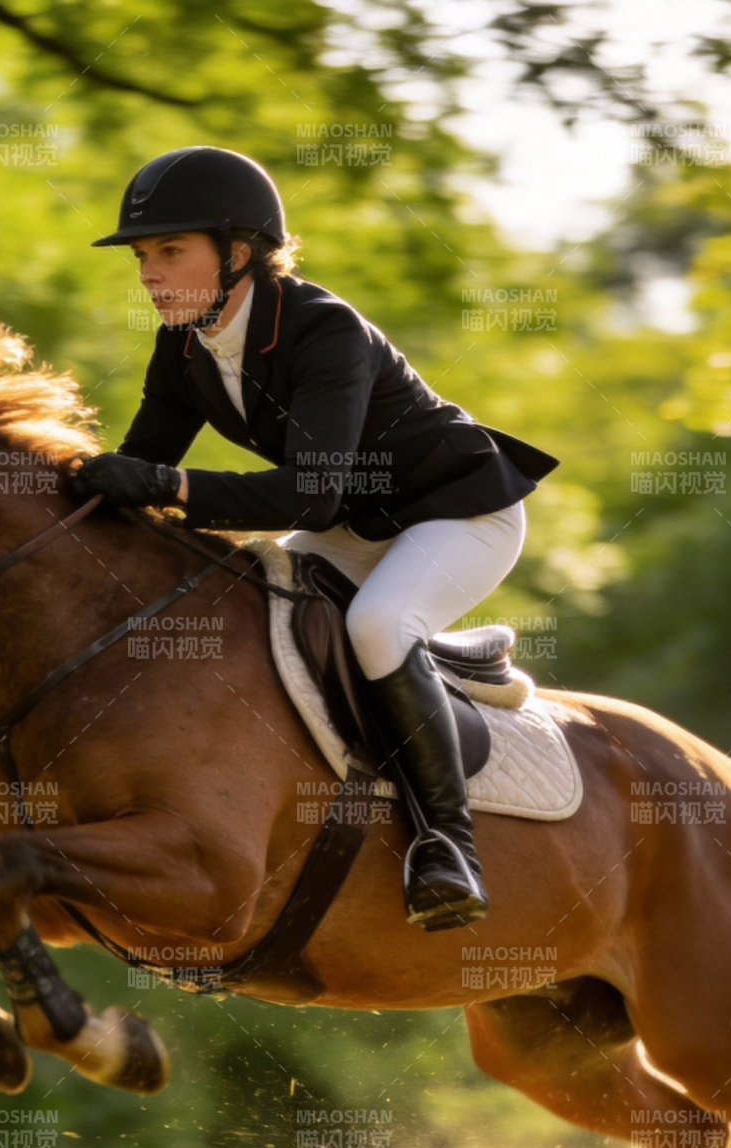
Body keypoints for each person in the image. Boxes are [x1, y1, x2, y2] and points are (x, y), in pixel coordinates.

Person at [73, 145, 558, 931]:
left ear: (238, 253)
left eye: (169, 251)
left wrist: (166, 486)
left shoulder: (323, 330)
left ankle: (448, 846)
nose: (149, 274)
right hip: (353, 527)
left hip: (458, 512)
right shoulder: (184, 345)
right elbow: (140, 467)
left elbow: (306, 491)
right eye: (141, 257)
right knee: (246, 615)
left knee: (377, 625)